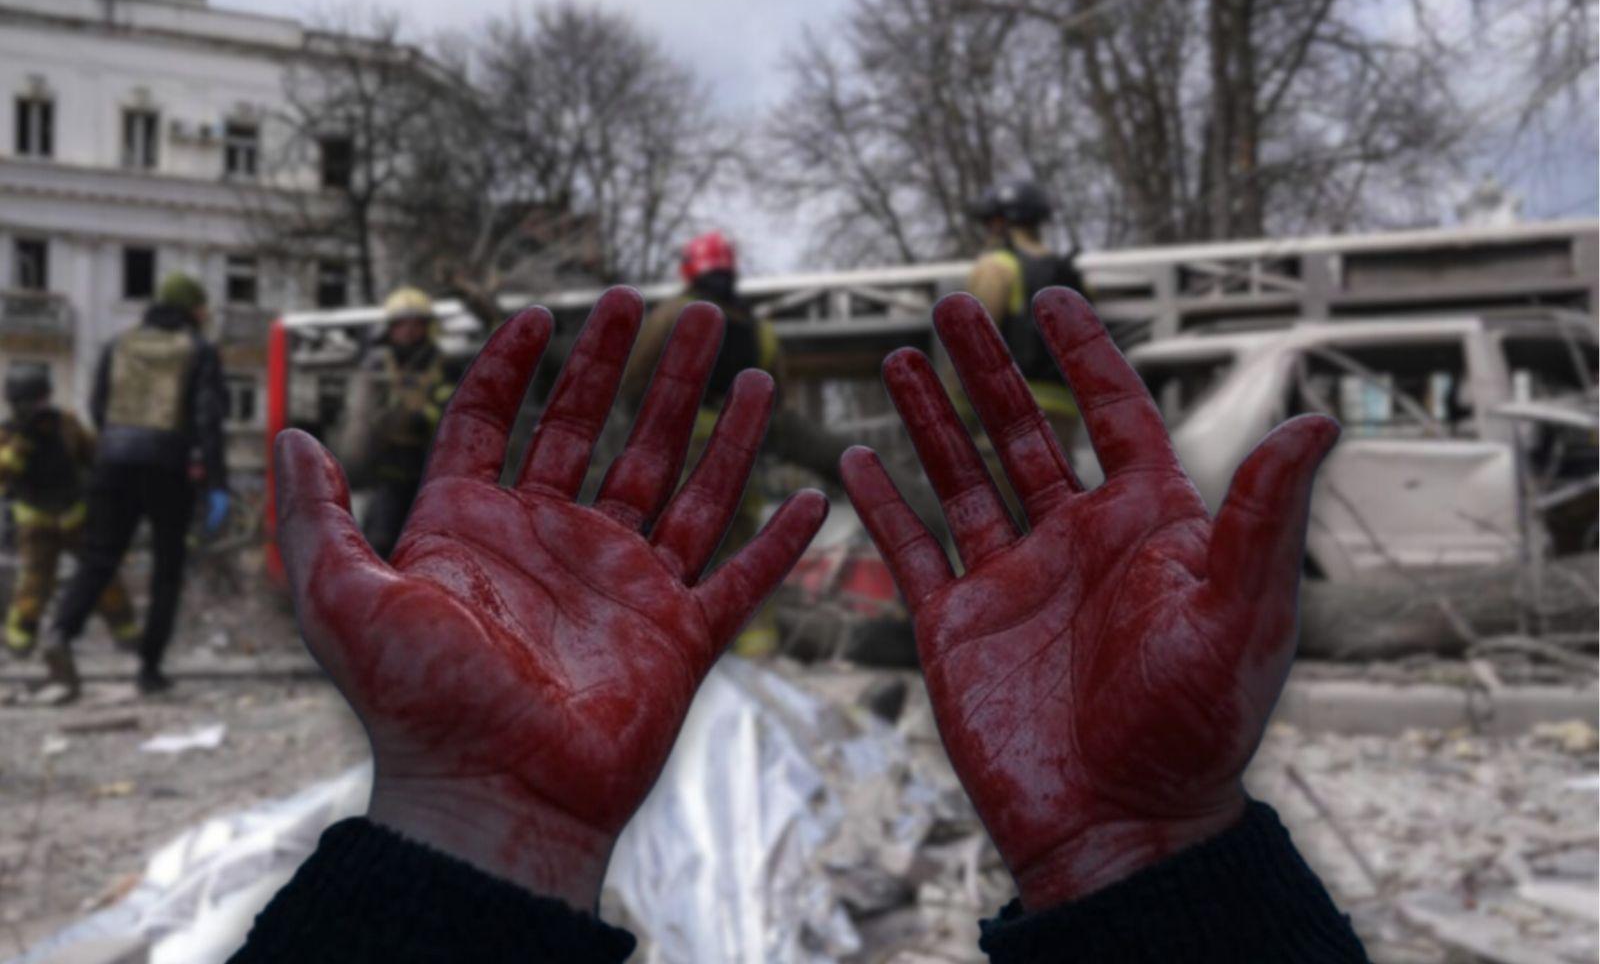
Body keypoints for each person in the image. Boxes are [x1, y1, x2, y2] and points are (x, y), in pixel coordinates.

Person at [232, 285, 1369, 962]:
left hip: (657, 517)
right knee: (709, 559)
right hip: (642, 520)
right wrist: (1152, 859)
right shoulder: (740, 337)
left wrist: (471, 828)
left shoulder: (673, 338)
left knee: (713, 561)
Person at [621, 230, 843, 654]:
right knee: (741, 551)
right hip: (739, 452)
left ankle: (666, 649)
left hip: (683, 450)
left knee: (673, 550)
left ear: (691, 269)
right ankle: (756, 649)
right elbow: (777, 393)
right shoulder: (760, 330)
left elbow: (634, 378)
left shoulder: (672, 314)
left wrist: (644, 428)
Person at [43, 272, 229, 701]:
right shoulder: (199, 349)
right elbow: (208, 420)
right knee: (167, 568)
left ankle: (60, 632)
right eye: (203, 307)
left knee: (99, 557)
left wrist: (117, 444)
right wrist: (217, 482)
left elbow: (97, 406)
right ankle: (150, 670)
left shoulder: (119, 344)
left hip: (113, 462)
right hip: (168, 466)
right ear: (191, 309)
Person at [0, 363, 136, 658]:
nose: (37, 409)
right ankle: (19, 643)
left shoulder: (67, 424)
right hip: (36, 525)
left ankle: (128, 635)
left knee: (103, 577)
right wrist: (19, 447)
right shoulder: (8, 435)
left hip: (77, 518)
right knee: (34, 586)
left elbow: (95, 458)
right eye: (29, 402)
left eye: (40, 400)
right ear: (15, 402)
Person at [964, 180, 1090, 458]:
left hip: (1012, 410)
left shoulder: (996, 268)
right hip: (1065, 413)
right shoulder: (1069, 275)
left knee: (1001, 484)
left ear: (998, 222)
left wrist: (955, 417)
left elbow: (968, 349)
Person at [337, 286, 456, 560]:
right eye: (402, 324)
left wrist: (422, 418)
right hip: (386, 470)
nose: (409, 331)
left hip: (431, 469)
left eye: (416, 324)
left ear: (427, 327)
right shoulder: (377, 364)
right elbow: (361, 413)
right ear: (391, 328)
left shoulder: (444, 365)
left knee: (431, 546)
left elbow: (451, 407)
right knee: (379, 540)